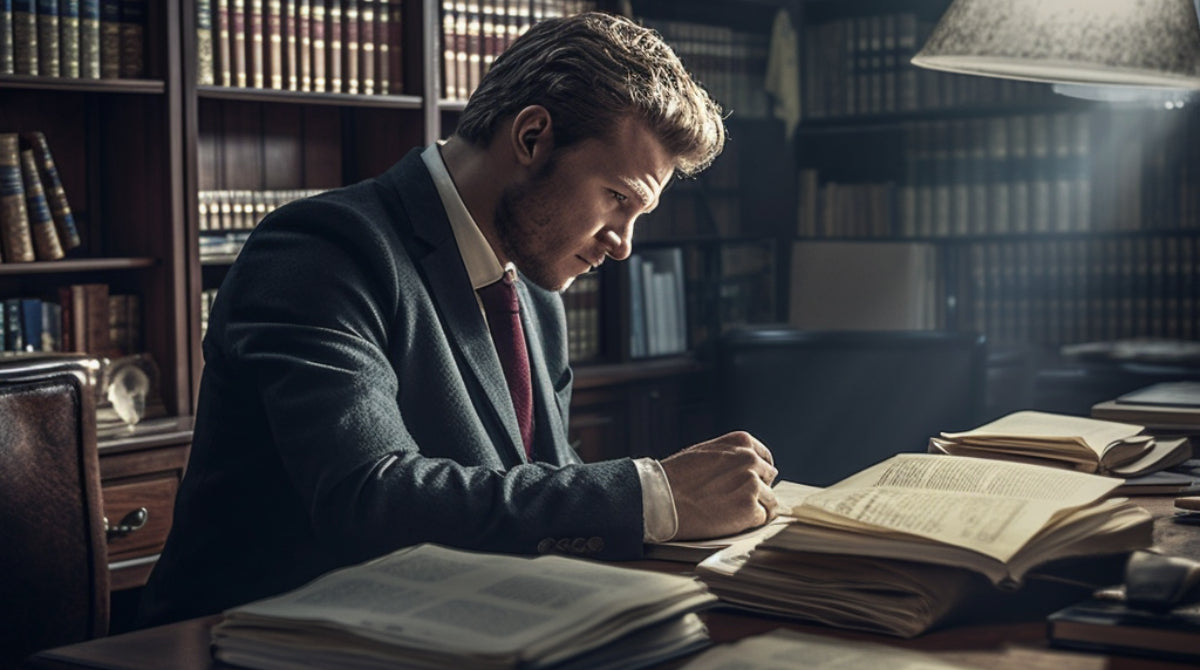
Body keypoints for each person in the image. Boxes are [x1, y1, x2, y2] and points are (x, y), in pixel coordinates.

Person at [137, 11, 777, 627]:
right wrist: (656, 494)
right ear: (532, 137)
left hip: (458, 629)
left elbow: (542, 493)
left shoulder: (536, 293)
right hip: (243, 645)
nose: (623, 243)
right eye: (617, 198)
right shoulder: (321, 251)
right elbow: (371, 502)